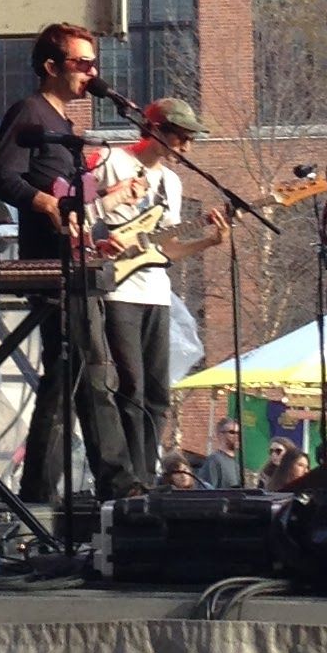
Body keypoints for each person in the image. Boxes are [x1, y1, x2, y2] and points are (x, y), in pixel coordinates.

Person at [0, 23, 128, 516]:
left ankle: (39, 491)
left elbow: (70, 201)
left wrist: (92, 230)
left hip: (72, 260)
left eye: (94, 64)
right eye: (82, 63)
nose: (92, 73)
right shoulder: (30, 111)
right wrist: (43, 201)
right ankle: (117, 481)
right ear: (51, 66)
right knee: (90, 369)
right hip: (49, 267)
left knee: (66, 374)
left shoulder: (64, 126)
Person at [91, 97, 226, 490]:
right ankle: (127, 478)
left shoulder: (172, 182)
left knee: (157, 392)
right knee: (129, 386)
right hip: (117, 290)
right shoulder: (110, 161)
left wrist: (209, 242)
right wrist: (101, 239)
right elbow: (81, 213)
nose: (186, 148)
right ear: (155, 130)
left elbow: (166, 248)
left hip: (155, 291)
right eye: (181, 138)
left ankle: (146, 476)